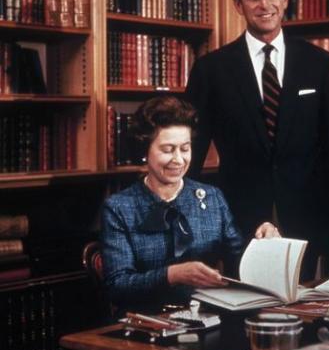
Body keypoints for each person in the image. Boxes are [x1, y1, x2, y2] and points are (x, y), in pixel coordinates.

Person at [186, 0, 329, 277]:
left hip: (306, 217)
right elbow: (192, 150)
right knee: (243, 311)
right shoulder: (211, 69)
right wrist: (198, 224)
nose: (265, 5)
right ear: (238, 4)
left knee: (304, 311)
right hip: (238, 218)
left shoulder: (319, 63)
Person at [101, 95, 279, 314]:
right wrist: (172, 275)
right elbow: (118, 286)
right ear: (144, 151)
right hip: (146, 323)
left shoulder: (211, 197)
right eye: (167, 150)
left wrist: (264, 245)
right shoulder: (119, 208)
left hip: (208, 317)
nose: (178, 159)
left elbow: (239, 261)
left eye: (185, 149)